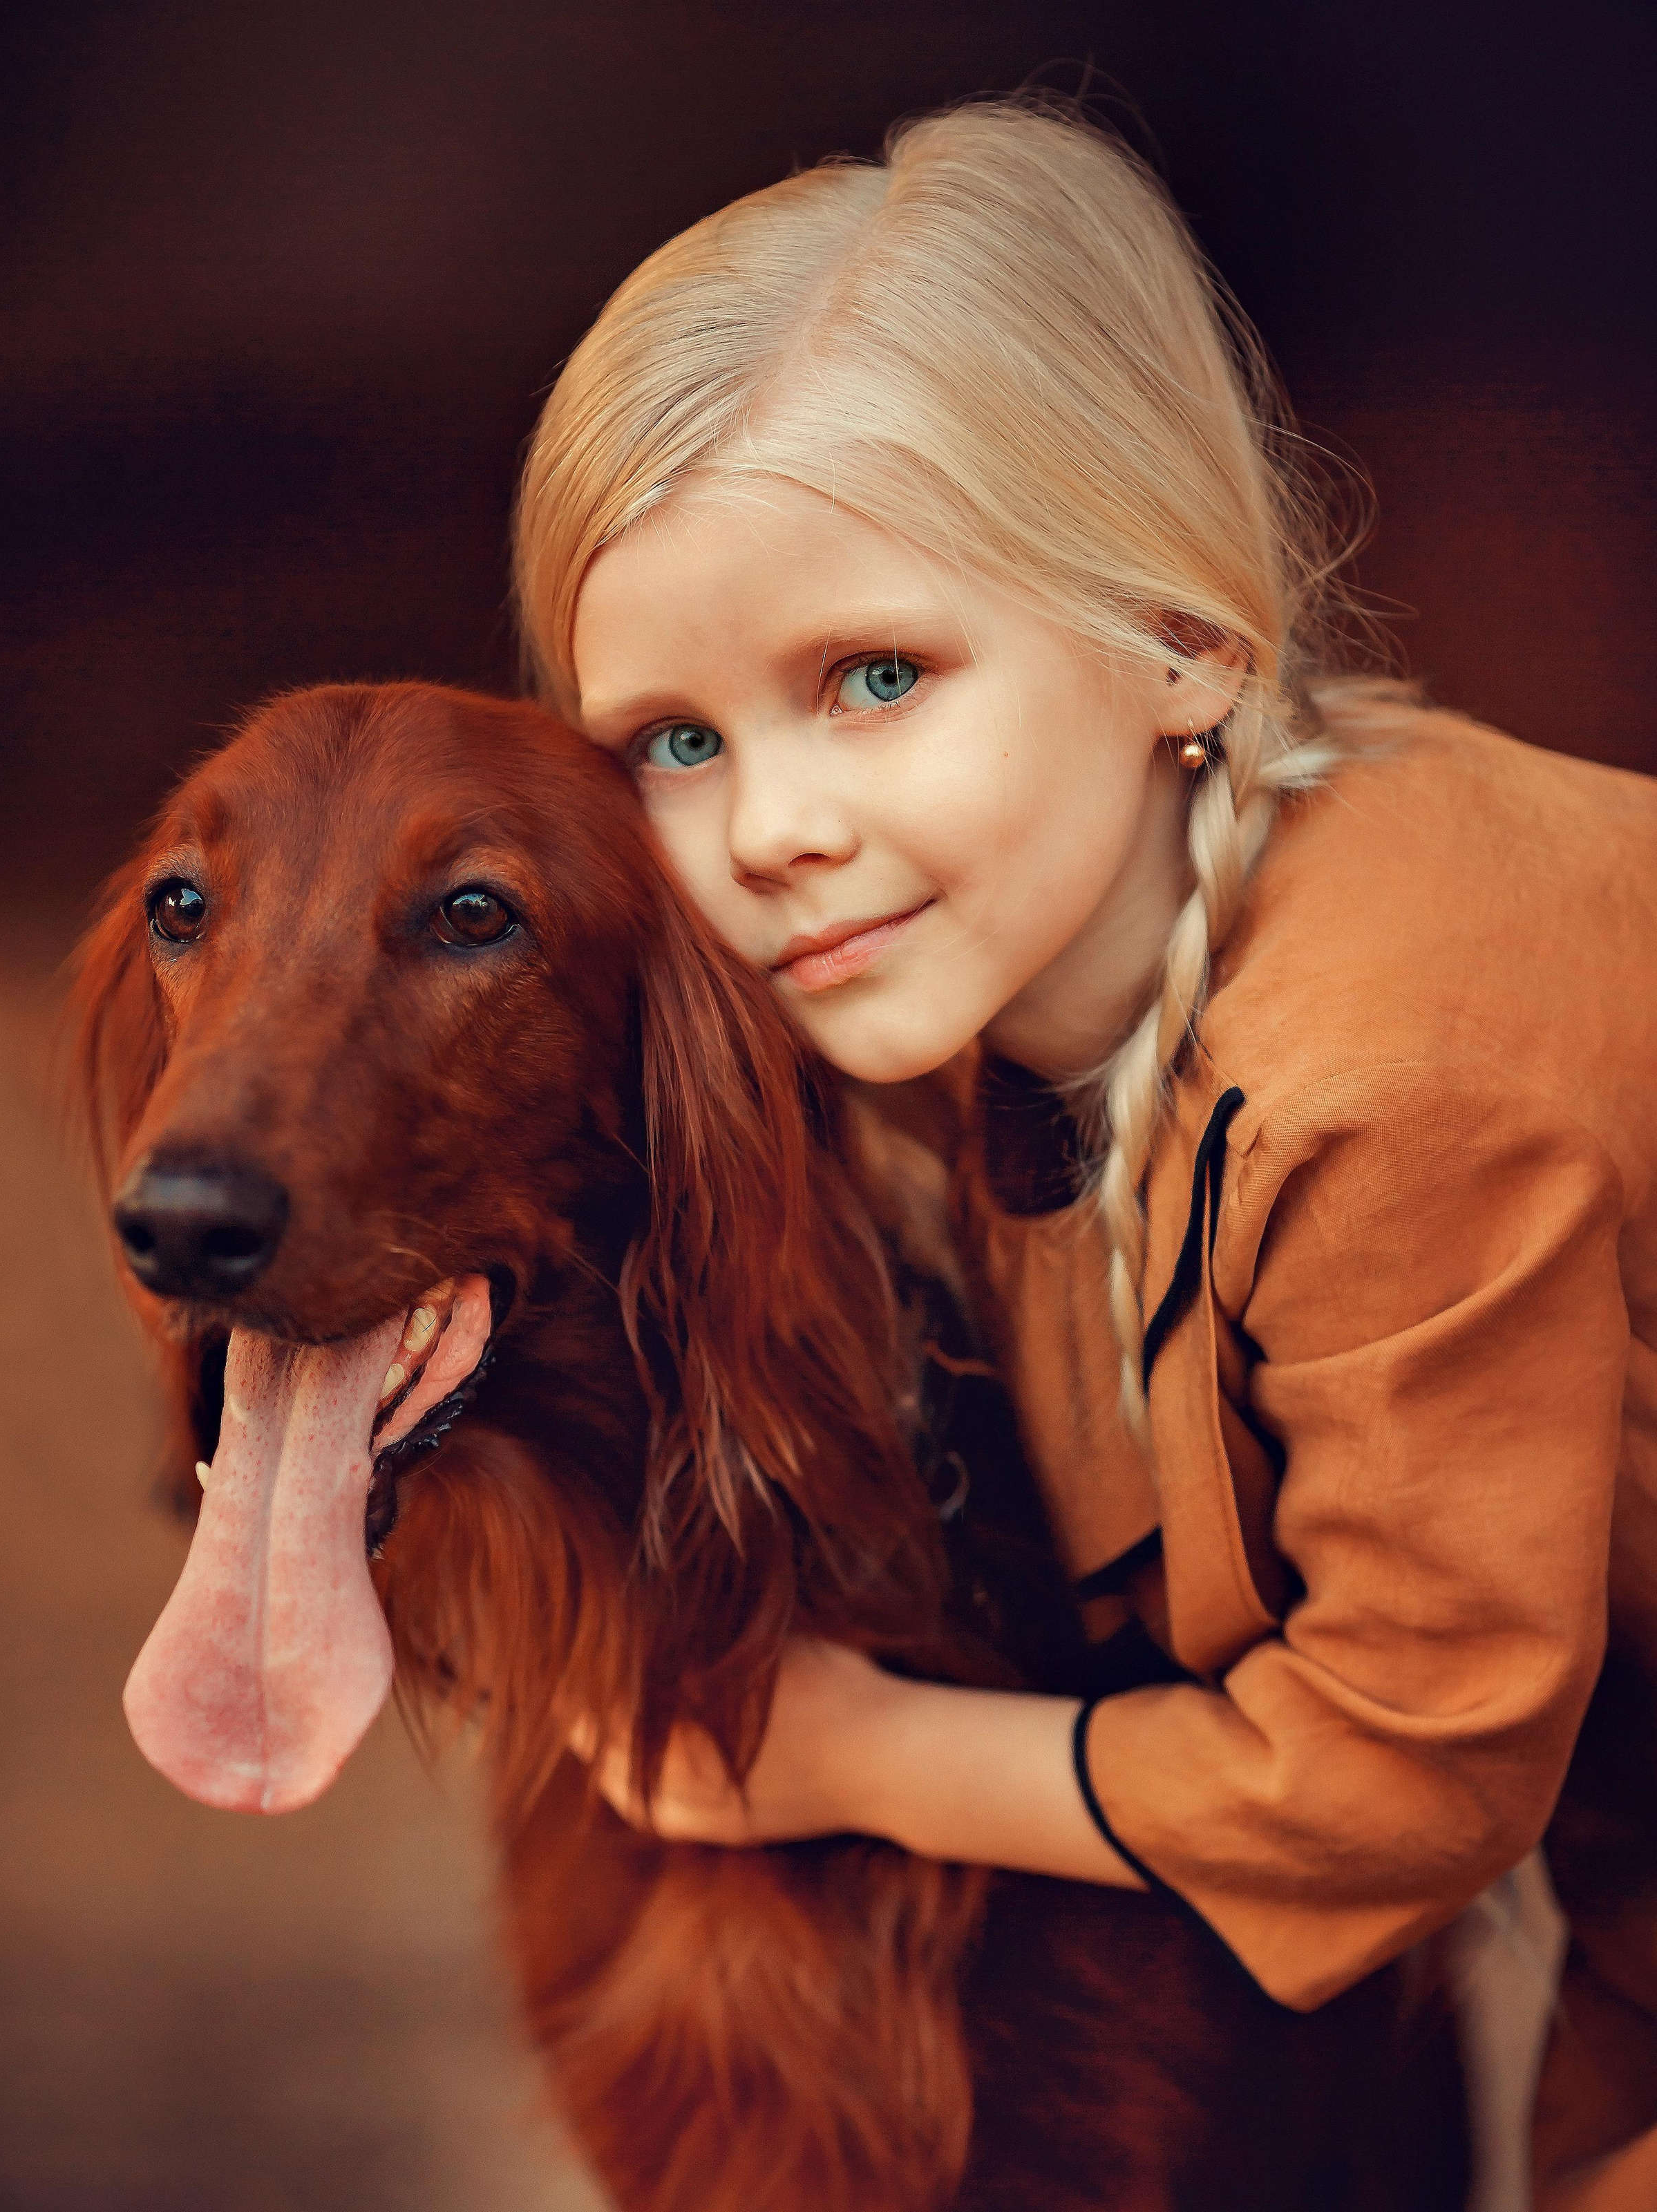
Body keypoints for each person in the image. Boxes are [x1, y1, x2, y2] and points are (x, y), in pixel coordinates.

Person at [510, 99, 1657, 2211]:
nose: (767, 827)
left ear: (1186, 642)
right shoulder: (999, 983)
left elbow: (1405, 1765)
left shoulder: (1392, 1076)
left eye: (875, 675)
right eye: (674, 741)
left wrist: (858, 1752)